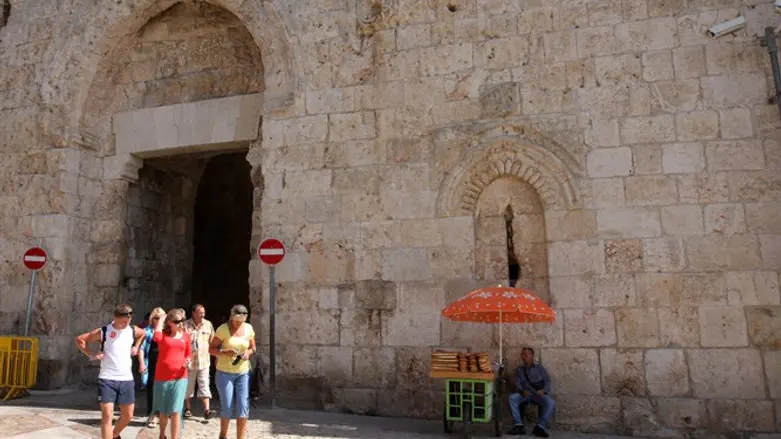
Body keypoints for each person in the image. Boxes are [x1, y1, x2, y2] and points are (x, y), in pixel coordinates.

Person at [74, 304, 146, 439]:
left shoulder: (131, 330)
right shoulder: (104, 331)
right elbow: (80, 339)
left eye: (128, 321)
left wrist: (136, 346)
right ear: (116, 318)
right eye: (124, 321)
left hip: (126, 379)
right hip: (107, 378)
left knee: (128, 415)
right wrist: (92, 354)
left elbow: (143, 333)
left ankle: (113, 435)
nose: (126, 323)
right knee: (107, 415)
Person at [209, 305, 256, 439]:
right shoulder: (222, 329)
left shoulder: (249, 328)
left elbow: (253, 347)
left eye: (241, 321)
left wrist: (248, 353)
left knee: (243, 406)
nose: (238, 323)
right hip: (224, 373)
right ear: (231, 316)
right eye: (236, 320)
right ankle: (223, 435)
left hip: (243, 372)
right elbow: (211, 349)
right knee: (227, 406)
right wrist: (225, 352)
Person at [152, 308, 191, 439]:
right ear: (170, 322)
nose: (180, 323)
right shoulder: (162, 334)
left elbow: (188, 354)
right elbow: (155, 336)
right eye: (176, 321)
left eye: (181, 321)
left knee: (175, 411)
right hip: (162, 377)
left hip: (181, 377)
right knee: (163, 411)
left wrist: (188, 361)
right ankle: (162, 434)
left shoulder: (185, 336)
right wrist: (162, 319)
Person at [507, 347, 556, 437]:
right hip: (525, 394)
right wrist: (522, 391)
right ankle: (519, 426)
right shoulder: (519, 370)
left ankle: (540, 427)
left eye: (526, 354)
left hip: (537, 394)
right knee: (512, 398)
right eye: (523, 354)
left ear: (532, 356)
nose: (524, 356)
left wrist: (543, 390)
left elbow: (547, 380)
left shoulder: (539, 368)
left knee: (551, 402)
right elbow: (517, 383)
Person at [183, 303, 216, 420]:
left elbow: (212, 341)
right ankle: (187, 408)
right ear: (193, 313)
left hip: (204, 361)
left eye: (204, 312)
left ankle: (207, 410)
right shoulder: (185, 325)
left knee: (204, 385)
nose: (203, 314)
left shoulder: (208, 324)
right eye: (200, 312)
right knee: (188, 386)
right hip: (189, 362)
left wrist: (215, 355)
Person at [136, 307, 165, 427]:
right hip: (151, 363)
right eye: (156, 317)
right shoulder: (146, 331)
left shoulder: (168, 331)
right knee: (151, 387)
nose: (158, 320)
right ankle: (151, 414)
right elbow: (141, 348)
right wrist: (142, 363)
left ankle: (160, 414)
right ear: (152, 319)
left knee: (163, 389)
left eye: (161, 317)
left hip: (164, 363)